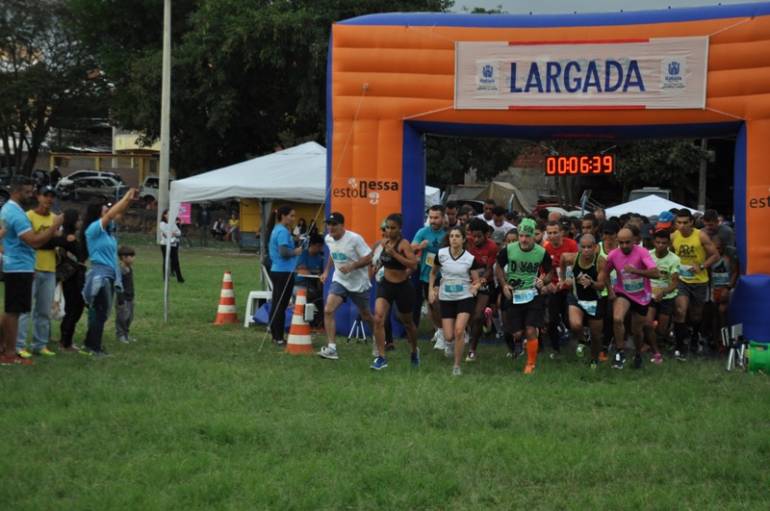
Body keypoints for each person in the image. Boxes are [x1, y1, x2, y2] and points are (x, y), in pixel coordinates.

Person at [0, 177, 63, 366]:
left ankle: (4, 348)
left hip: (18, 265)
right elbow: (34, 241)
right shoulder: (17, 214)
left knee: (13, 310)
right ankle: (10, 354)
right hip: (18, 267)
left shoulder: (8, 210)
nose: (31, 195)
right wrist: (54, 226)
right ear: (17, 192)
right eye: (28, 192)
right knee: (14, 312)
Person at [81, 189, 138, 357]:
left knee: (102, 313)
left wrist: (130, 201)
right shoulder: (93, 229)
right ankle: (94, 348)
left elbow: (118, 213)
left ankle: (90, 343)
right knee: (100, 312)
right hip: (100, 276)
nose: (107, 209)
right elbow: (112, 214)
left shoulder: (108, 231)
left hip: (109, 276)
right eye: (104, 208)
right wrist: (126, 196)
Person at [495, 218, 553, 374]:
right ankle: (524, 338)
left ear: (534, 236)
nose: (524, 239)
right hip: (514, 294)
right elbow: (498, 267)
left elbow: (550, 272)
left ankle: (531, 363)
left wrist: (543, 281)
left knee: (529, 330)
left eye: (527, 236)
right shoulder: (509, 249)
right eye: (521, 235)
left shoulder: (541, 252)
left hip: (533, 293)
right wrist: (503, 284)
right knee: (517, 332)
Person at [600, 228, 660, 370]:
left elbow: (656, 273)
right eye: (621, 243)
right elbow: (605, 273)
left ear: (634, 241)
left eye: (628, 242)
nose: (625, 246)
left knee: (636, 331)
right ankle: (620, 352)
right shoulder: (613, 255)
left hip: (642, 296)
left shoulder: (642, 252)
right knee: (617, 319)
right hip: (623, 293)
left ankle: (638, 353)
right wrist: (610, 290)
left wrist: (636, 271)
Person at [317, 213, 374, 360]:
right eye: (328, 224)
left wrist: (352, 266)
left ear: (342, 225)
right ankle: (332, 348)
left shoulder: (354, 239)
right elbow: (333, 253)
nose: (330, 227)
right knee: (328, 310)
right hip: (340, 280)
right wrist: (326, 271)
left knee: (366, 315)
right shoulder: (328, 238)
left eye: (334, 224)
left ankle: (378, 340)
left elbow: (369, 257)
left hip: (358, 283)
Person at [429, 226, 481, 376]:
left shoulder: (470, 258)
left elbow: (477, 280)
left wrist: (475, 287)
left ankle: (457, 366)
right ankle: (451, 342)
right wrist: (431, 290)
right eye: (451, 236)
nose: (454, 239)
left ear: (464, 240)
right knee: (449, 336)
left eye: (457, 236)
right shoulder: (441, 254)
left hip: (464, 297)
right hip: (446, 298)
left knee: (458, 331)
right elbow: (433, 273)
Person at [16, 185, 60, 358]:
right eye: (45, 195)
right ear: (38, 197)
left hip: (49, 268)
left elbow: (58, 241)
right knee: (25, 309)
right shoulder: (28, 217)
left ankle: (39, 344)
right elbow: (30, 241)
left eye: (51, 196)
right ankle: (19, 345)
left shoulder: (55, 219)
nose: (49, 199)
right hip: (31, 267)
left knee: (43, 310)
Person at [372, 213, 419, 370]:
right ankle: (381, 357)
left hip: (402, 287)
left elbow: (413, 265)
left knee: (408, 323)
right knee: (378, 318)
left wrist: (396, 255)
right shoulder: (383, 243)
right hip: (386, 285)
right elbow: (377, 261)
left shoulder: (403, 244)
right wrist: (371, 272)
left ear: (400, 229)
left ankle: (413, 351)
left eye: (393, 228)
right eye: (387, 227)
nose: (389, 231)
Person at [671, 208, 719, 359]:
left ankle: (694, 336)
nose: (682, 226)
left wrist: (702, 266)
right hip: (681, 280)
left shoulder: (701, 236)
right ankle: (679, 345)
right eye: (679, 222)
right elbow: (669, 254)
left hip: (699, 280)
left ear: (691, 222)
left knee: (696, 314)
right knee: (680, 310)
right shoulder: (674, 236)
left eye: (685, 222)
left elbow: (715, 255)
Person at [560, 234, 606, 368]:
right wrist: (562, 279)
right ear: (579, 247)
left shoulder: (601, 261)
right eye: (583, 247)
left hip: (595, 300)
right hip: (577, 298)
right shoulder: (573, 258)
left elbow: (602, 286)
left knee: (596, 336)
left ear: (595, 248)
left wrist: (591, 283)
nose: (586, 250)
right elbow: (562, 258)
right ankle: (582, 340)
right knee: (575, 325)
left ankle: (594, 359)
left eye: (589, 247)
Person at [267, 205, 302, 346]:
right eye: (291, 216)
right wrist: (296, 251)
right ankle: (279, 337)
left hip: (279, 270)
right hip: (283, 271)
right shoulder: (282, 231)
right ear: (283, 216)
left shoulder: (278, 229)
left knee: (277, 303)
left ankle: (275, 335)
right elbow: (283, 252)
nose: (293, 218)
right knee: (281, 305)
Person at [411, 205, 446, 347]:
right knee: (431, 305)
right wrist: (420, 246)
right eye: (431, 217)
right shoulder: (423, 232)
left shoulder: (448, 234)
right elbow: (410, 247)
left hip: (443, 275)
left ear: (443, 218)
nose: (433, 220)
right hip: (426, 275)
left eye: (436, 217)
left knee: (437, 303)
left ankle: (444, 332)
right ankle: (440, 330)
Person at [644, 230, 680, 364]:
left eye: (663, 243)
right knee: (647, 323)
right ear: (653, 242)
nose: (660, 245)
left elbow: (675, 282)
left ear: (669, 244)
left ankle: (661, 342)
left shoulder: (674, 259)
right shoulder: (648, 255)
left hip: (667, 297)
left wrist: (663, 292)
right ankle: (655, 350)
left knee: (661, 329)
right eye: (658, 242)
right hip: (650, 295)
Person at [543, 220, 578, 357]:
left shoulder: (571, 244)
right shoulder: (546, 248)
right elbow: (544, 270)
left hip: (570, 287)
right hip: (555, 289)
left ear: (562, 232)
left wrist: (568, 281)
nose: (552, 236)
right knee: (552, 320)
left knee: (569, 319)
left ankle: (579, 341)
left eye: (555, 232)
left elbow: (577, 266)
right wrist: (548, 283)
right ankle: (555, 349)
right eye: (549, 233)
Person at [466, 218, 499, 361]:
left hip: (485, 283)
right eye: (474, 236)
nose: (476, 239)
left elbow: (489, 270)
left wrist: (480, 282)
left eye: (479, 236)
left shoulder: (492, 247)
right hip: (467, 282)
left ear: (487, 235)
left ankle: (472, 349)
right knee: (469, 316)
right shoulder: (467, 243)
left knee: (477, 316)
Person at [57, 208, 87, 352]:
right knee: (74, 308)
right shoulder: (68, 237)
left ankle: (66, 339)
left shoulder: (69, 236)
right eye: (78, 219)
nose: (80, 222)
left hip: (73, 275)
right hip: (72, 276)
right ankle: (65, 341)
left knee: (75, 307)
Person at [709, 236, 738, 347]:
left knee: (722, 312)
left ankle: (724, 340)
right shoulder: (710, 259)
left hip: (725, 288)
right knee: (714, 315)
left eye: (719, 248)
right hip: (713, 289)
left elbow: (735, 272)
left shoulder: (728, 258)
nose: (717, 250)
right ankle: (715, 340)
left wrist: (728, 287)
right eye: (714, 248)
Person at [295, 234, 325, 326]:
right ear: (312, 245)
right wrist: (313, 272)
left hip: (312, 284)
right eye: (318, 246)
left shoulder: (320, 258)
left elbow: (320, 273)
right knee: (314, 295)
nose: (320, 249)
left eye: (321, 246)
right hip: (299, 283)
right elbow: (302, 270)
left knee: (321, 296)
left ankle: (319, 321)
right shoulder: (303, 254)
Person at [115, 245, 136, 344]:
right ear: (123, 257)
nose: (133, 258)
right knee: (122, 317)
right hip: (122, 298)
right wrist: (120, 297)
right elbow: (117, 283)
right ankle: (120, 335)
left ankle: (126, 334)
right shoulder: (120, 269)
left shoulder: (129, 268)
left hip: (130, 297)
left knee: (130, 317)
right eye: (131, 256)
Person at [159, 209, 184, 283]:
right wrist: (172, 233)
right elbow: (166, 233)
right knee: (166, 261)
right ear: (165, 215)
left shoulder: (173, 223)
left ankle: (180, 279)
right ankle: (165, 278)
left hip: (173, 244)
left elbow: (179, 232)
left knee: (176, 261)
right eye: (168, 214)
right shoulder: (162, 223)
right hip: (165, 244)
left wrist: (174, 233)